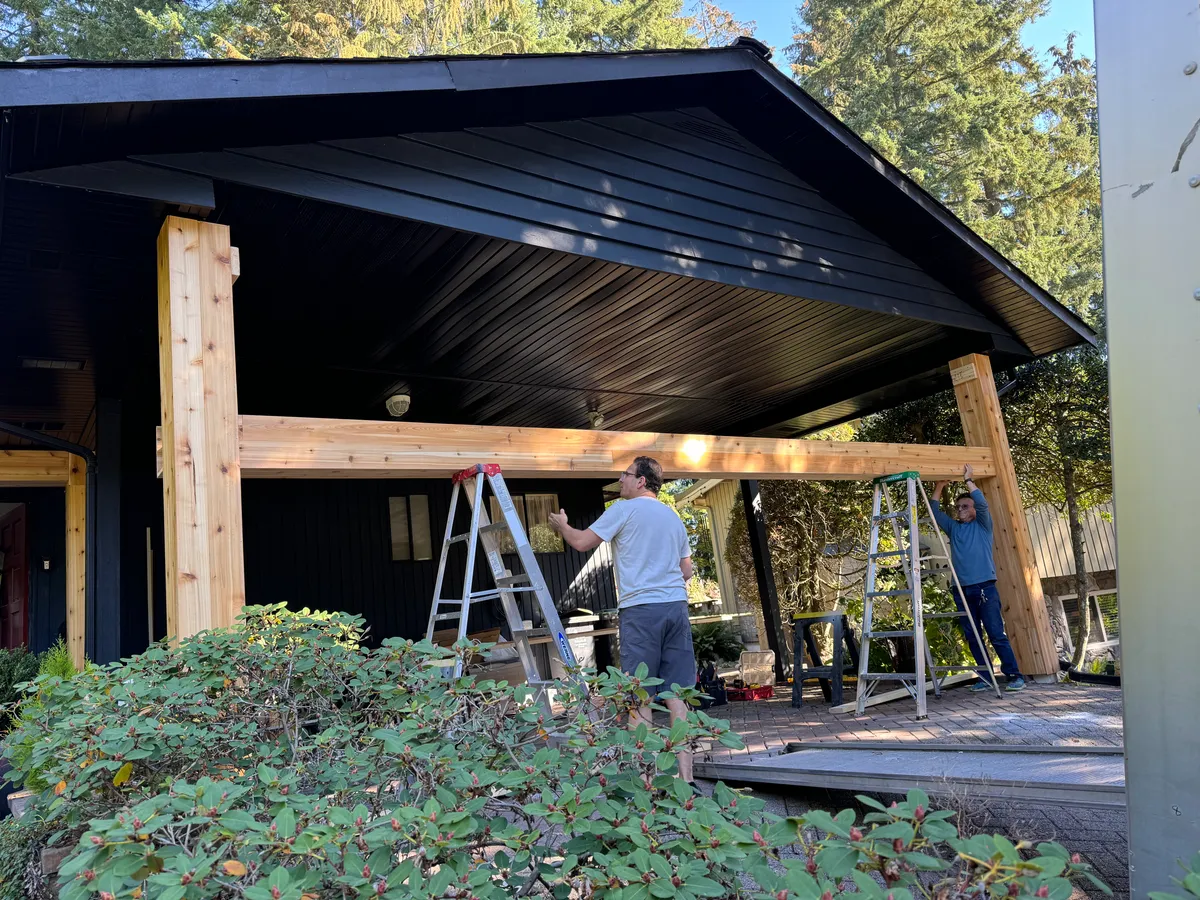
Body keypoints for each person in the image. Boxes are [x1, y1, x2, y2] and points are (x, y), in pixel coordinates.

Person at [547, 455, 696, 782]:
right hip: (675, 608)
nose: (620, 479)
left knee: (638, 695)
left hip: (642, 611)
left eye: (626, 474)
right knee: (678, 695)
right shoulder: (672, 517)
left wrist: (562, 526)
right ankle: (687, 782)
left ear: (642, 481)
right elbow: (687, 568)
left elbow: (581, 542)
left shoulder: (623, 510)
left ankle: (644, 783)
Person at [932, 464, 1026, 693]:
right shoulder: (954, 529)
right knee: (973, 636)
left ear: (973, 509)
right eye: (958, 507)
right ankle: (985, 678)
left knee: (995, 633)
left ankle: (1015, 676)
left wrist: (968, 480)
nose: (960, 509)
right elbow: (934, 512)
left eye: (965, 506)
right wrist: (940, 485)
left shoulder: (984, 525)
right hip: (962, 590)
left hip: (985, 588)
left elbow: (982, 504)